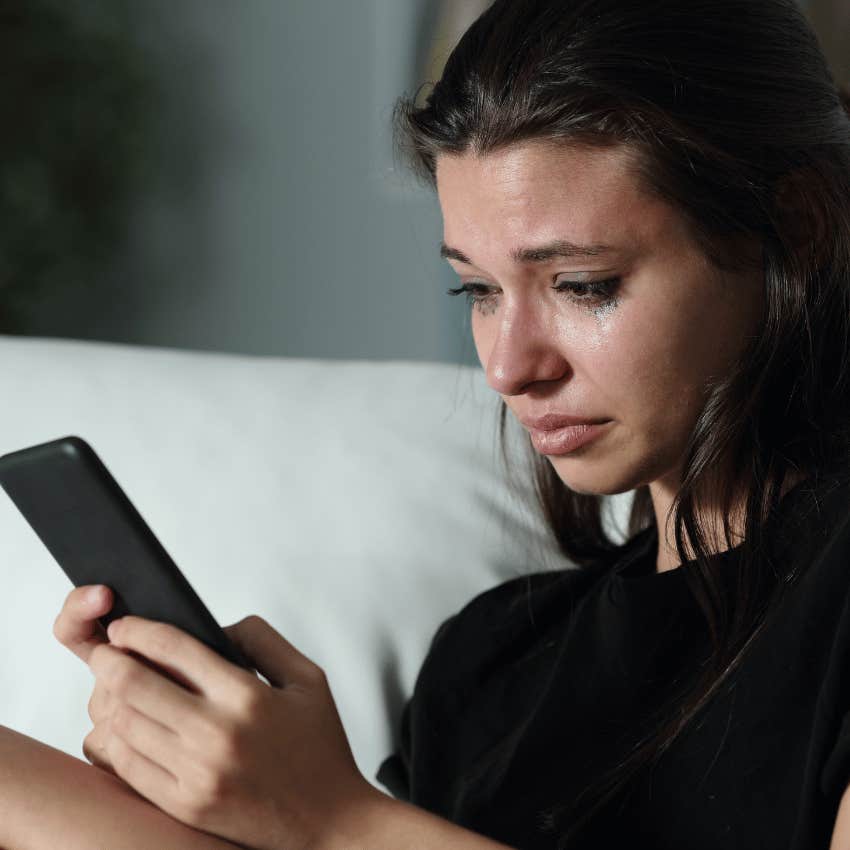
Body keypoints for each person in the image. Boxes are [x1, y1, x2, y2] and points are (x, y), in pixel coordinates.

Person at [2, 0, 850, 847]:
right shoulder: (486, 667)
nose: (510, 367)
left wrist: (336, 819)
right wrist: (206, 778)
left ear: (797, 227)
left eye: (583, 284)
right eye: (477, 291)